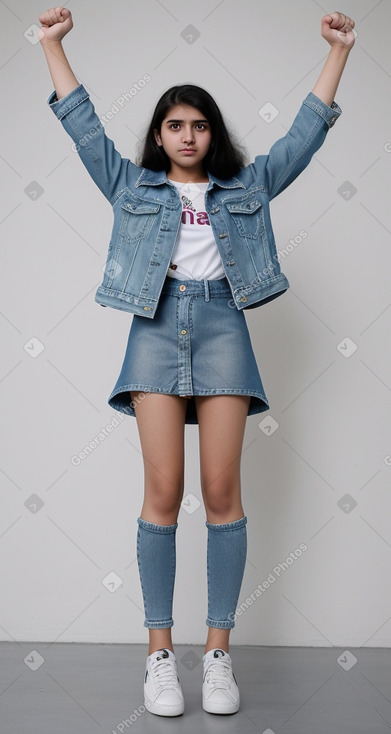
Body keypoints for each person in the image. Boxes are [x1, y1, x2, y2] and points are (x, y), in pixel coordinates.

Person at [39, 6, 355, 717]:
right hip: (153, 327)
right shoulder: (133, 188)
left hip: (222, 329)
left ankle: (216, 655)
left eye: (199, 124)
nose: (187, 135)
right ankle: (158, 655)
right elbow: (82, 125)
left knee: (219, 491)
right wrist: (52, 46)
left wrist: (337, 53)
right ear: (158, 134)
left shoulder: (244, 188)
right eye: (175, 125)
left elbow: (304, 134)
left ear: (213, 135)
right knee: (161, 488)